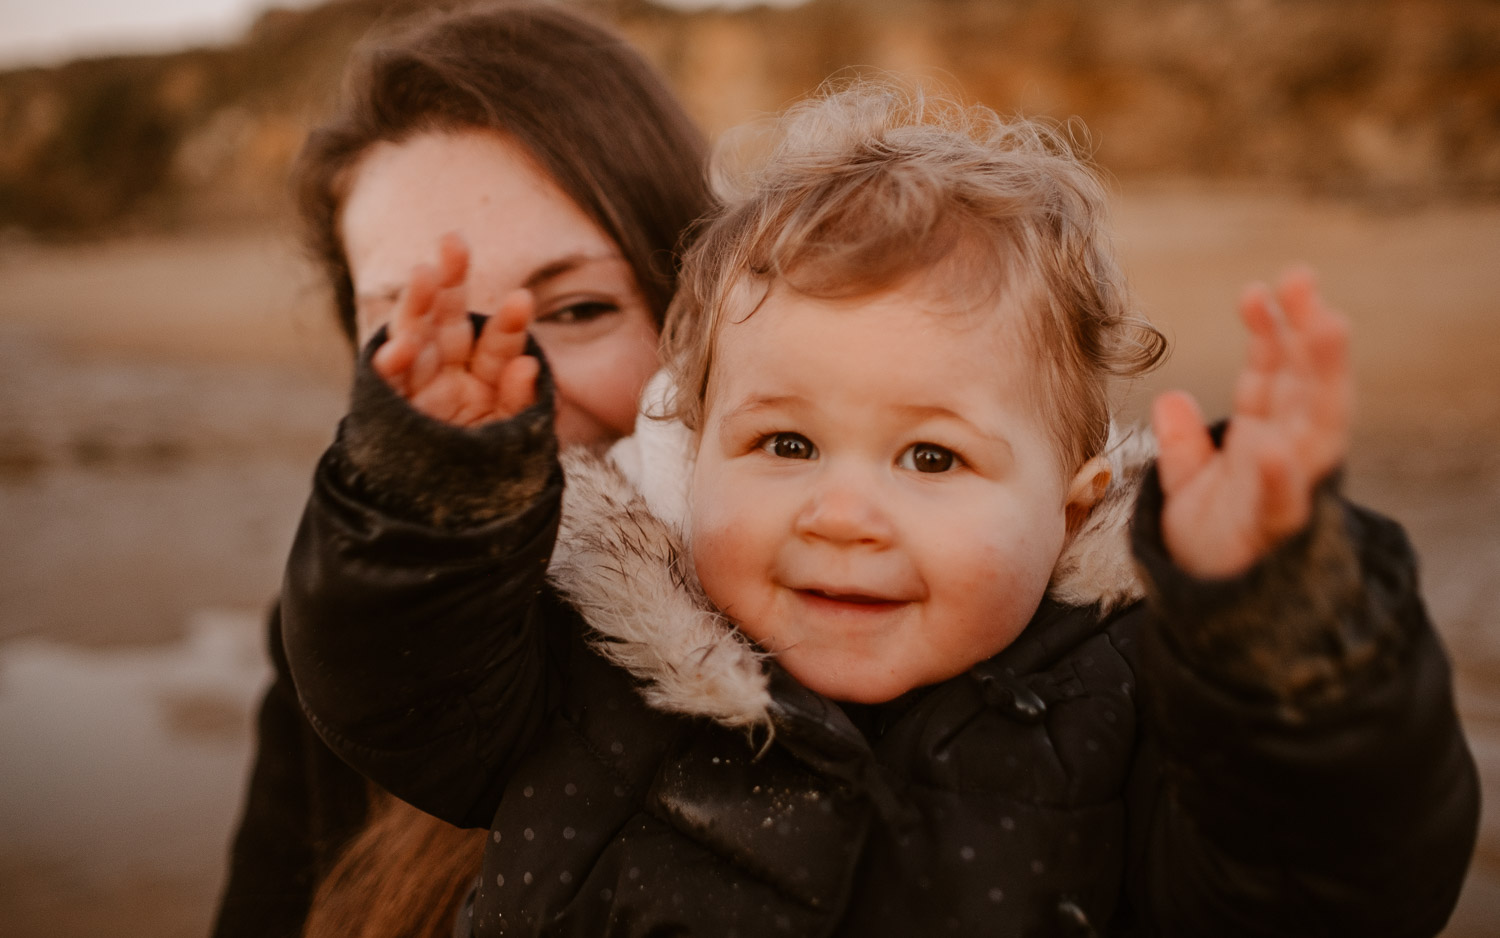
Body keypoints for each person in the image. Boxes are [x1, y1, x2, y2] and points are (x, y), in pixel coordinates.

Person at [280, 84, 1480, 936]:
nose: (844, 510)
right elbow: (398, 686)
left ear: (1074, 509)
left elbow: (1333, 879)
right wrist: (436, 480)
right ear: (691, 457)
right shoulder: (586, 656)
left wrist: (1277, 623)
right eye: (786, 441)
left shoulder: (1137, 713)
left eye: (932, 457)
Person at [209, 4, 710, 936]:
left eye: (575, 309)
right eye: (422, 331)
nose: (502, 397)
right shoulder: (341, 656)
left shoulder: (863, 607)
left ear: (705, 311)